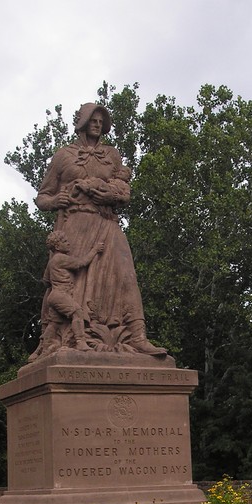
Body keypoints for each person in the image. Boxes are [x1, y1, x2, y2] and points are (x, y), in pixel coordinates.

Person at [32, 102, 165, 358]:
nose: (97, 123)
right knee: (70, 285)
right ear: (81, 121)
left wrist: (108, 192)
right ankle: (60, 340)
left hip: (107, 223)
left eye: (101, 120)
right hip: (75, 228)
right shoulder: (64, 155)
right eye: (92, 119)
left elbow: (123, 190)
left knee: (126, 276)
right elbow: (42, 197)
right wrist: (54, 201)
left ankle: (137, 337)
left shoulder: (112, 155)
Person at [40, 231, 104, 353]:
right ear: (57, 247)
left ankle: (44, 348)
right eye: (65, 241)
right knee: (77, 312)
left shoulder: (52, 261)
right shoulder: (61, 258)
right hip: (61, 294)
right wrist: (95, 250)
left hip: (53, 295)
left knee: (54, 323)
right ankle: (80, 342)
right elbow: (81, 263)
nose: (68, 243)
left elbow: (46, 281)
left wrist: (57, 279)